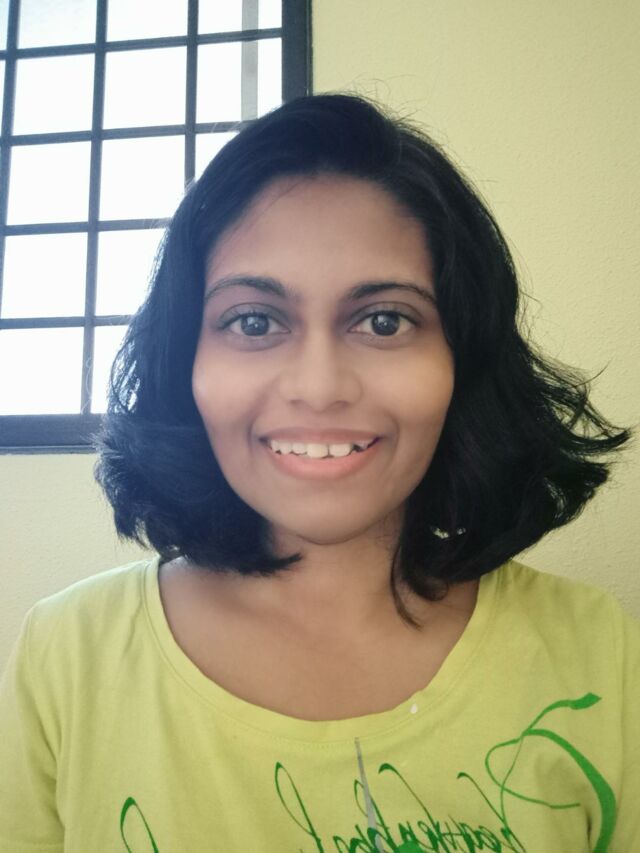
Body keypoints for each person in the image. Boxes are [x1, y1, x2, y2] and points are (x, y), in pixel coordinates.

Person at [0, 92, 637, 852]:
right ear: (186, 361)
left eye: (384, 320)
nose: (319, 386)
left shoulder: (601, 655)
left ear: (463, 360)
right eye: (254, 321)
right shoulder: (67, 653)